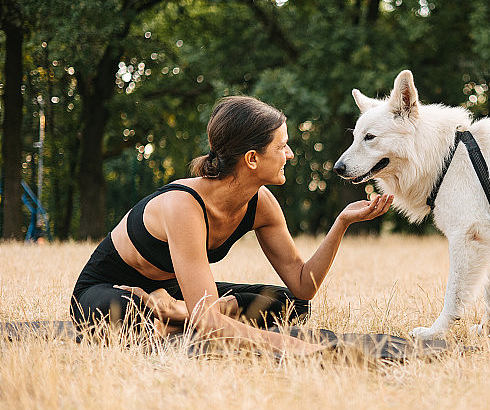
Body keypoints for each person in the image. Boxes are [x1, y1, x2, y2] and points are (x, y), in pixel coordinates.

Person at [70, 96, 393, 355]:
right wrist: (302, 349)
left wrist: (341, 223)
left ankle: (175, 314)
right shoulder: (183, 205)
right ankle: (169, 313)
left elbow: (302, 285)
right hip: (113, 290)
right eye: (282, 146)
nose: (290, 154)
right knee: (127, 316)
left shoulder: (261, 202)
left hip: (173, 292)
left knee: (291, 304)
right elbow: (211, 325)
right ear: (252, 159)